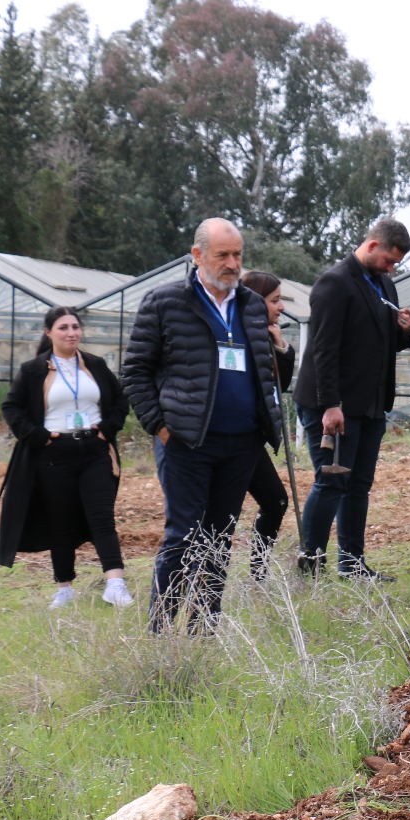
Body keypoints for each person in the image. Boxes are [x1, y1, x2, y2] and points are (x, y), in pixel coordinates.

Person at [122, 217, 281, 632]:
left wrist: (267, 422)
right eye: (222, 255)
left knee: (219, 537)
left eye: (237, 255)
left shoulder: (249, 304)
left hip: (242, 442)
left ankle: (204, 628)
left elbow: (263, 370)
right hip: (187, 442)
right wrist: (159, 426)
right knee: (184, 535)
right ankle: (160, 632)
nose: (232, 263)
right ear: (197, 256)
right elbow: (135, 371)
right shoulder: (164, 302)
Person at [292, 218, 410, 582]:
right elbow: (323, 350)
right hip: (332, 405)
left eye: (396, 264)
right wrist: (331, 404)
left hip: (371, 404)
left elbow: (385, 343)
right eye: (389, 260)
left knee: (358, 485)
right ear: (373, 245)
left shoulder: (384, 285)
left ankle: (352, 564)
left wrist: (405, 332)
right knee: (331, 481)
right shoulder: (334, 284)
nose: (391, 268)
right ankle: (310, 565)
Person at [0, 306, 133, 608]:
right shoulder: (33, 370)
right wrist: (37, 435)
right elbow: (11, 407)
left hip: (95, 451)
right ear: (49, 333)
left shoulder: (95, 365)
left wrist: (107, 428)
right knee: (61, 521)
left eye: (75, 327)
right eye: (63, 328)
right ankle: (65, 588)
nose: (71, 333)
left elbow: (120, 399)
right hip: (54, 455)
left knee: (102, 517)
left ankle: (115, 583)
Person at [240, 270, 296, 580]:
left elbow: (280, 385)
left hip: (251, 439)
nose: (282, 307)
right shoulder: (237, 336)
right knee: (221, 514)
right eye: (275, 301)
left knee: (276, 500)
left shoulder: (266, 337)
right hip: (232, 439)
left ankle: (257, 575)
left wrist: (281, 347)